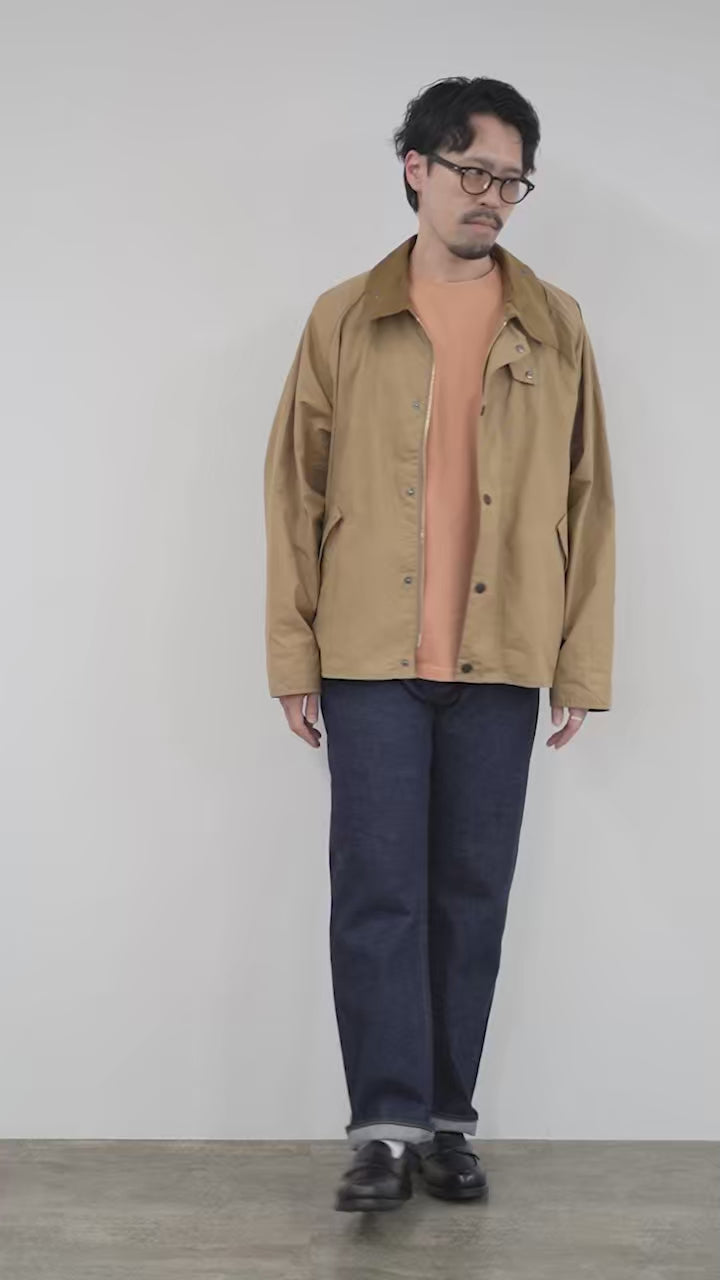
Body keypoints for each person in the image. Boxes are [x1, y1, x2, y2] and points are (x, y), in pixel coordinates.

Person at [263, 75, 615, 1213]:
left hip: (503, 653)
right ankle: (383, 1129)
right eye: (473, 171)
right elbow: (293, 492)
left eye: (512, 179)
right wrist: (292, 654)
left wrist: (580, 662)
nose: (492, 197)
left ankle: (448, 1123)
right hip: (370, 655)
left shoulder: (555, 322)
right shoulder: (345, 317)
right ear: (416, 167)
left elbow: (590, 497)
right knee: (377, 895)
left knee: (471, 894)